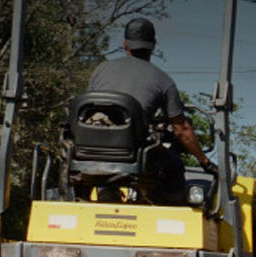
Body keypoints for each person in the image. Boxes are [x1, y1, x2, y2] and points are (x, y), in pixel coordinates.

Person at [87, 17, 217, 201]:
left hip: (90, 149)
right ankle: (167, 209)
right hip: (133, 154)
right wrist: (205, 162)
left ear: (125, 44)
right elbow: (181, 130)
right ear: (153, 46)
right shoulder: (163, 81)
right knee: (174, 165)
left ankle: (106, 191)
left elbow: (89, 108)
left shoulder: (100, 70)